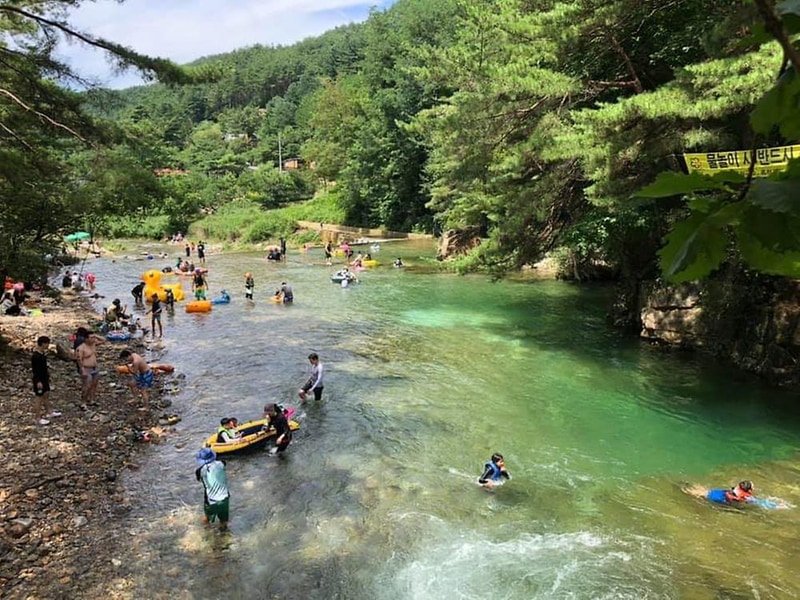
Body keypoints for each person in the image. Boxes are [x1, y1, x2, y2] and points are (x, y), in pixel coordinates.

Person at [195, 448, 230, 531]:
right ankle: (223, 537)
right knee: (224, 522)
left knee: (207, 519)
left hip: (211, 501)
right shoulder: (221, 463)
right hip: (224, 499)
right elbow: (222, 463)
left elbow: (199, 479)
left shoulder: (200, 471)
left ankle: (205, 532)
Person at [32, 335, 60, 425]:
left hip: (44, 378)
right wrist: (38, 381)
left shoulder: (42, 354)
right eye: (47, 343)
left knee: (46, 395)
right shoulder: (36, 356)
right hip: (39, 380)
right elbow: (35, 370)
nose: (48, 345)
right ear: (43, 344)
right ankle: (37, 417)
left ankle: (49, 411)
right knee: (38, 398)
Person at [75, 334, 102, 404]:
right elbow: (79, 359)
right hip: (86, 368)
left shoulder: (93, 344)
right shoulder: (81, 348)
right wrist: (82, 369)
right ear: (86, 339)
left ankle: (91, 399)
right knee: (87, 386)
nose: (93, 339)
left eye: (93, 338)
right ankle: (83, 402)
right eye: (91, 338)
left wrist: (96, 336)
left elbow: (104, 340)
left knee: (94, 385)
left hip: (94, 368)